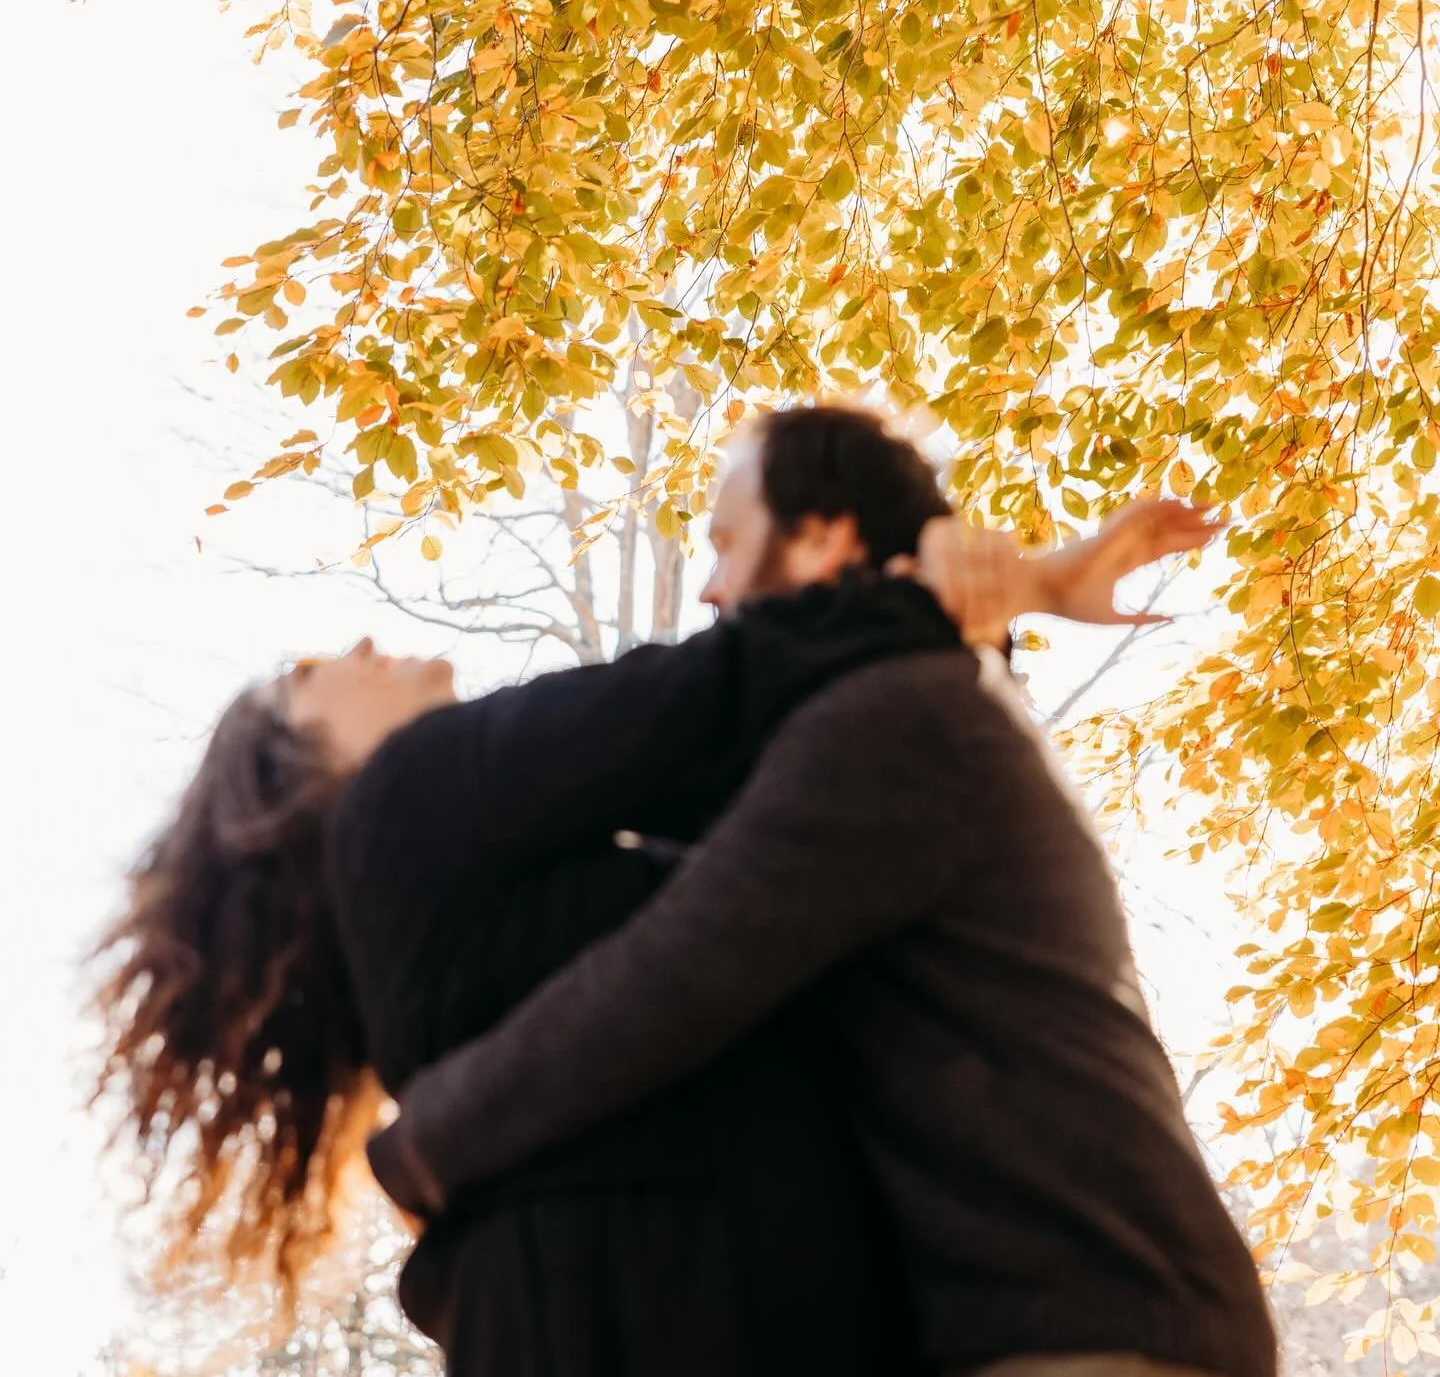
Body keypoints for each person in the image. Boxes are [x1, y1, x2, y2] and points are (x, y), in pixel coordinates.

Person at [94, 404, 1214, 1377]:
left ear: (823, 538)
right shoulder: (412, 795)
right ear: (295, 784)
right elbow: (714, 736)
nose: (716, 591)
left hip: (1052, 1308)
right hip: (737, 1311)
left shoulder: (885, 731)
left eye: (727, 544)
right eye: (305, 678)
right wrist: (974, 594)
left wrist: (429, 1143)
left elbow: (730, 906)